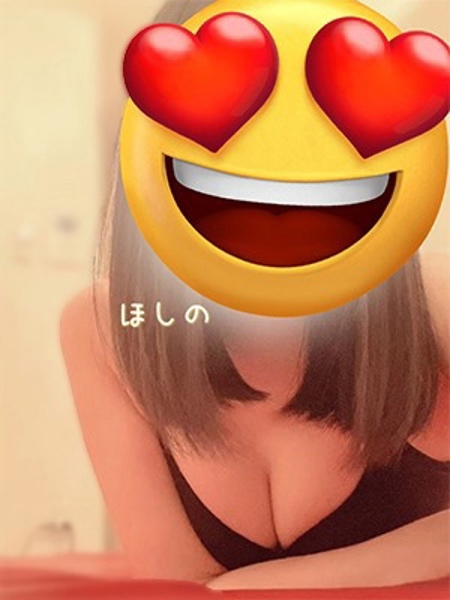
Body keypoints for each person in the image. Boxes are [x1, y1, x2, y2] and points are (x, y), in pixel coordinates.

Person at [60, 0, 450, 590]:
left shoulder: (432, 303)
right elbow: (175, 581)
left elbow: (209, 590)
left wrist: (238, 588)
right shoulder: (105, 327)